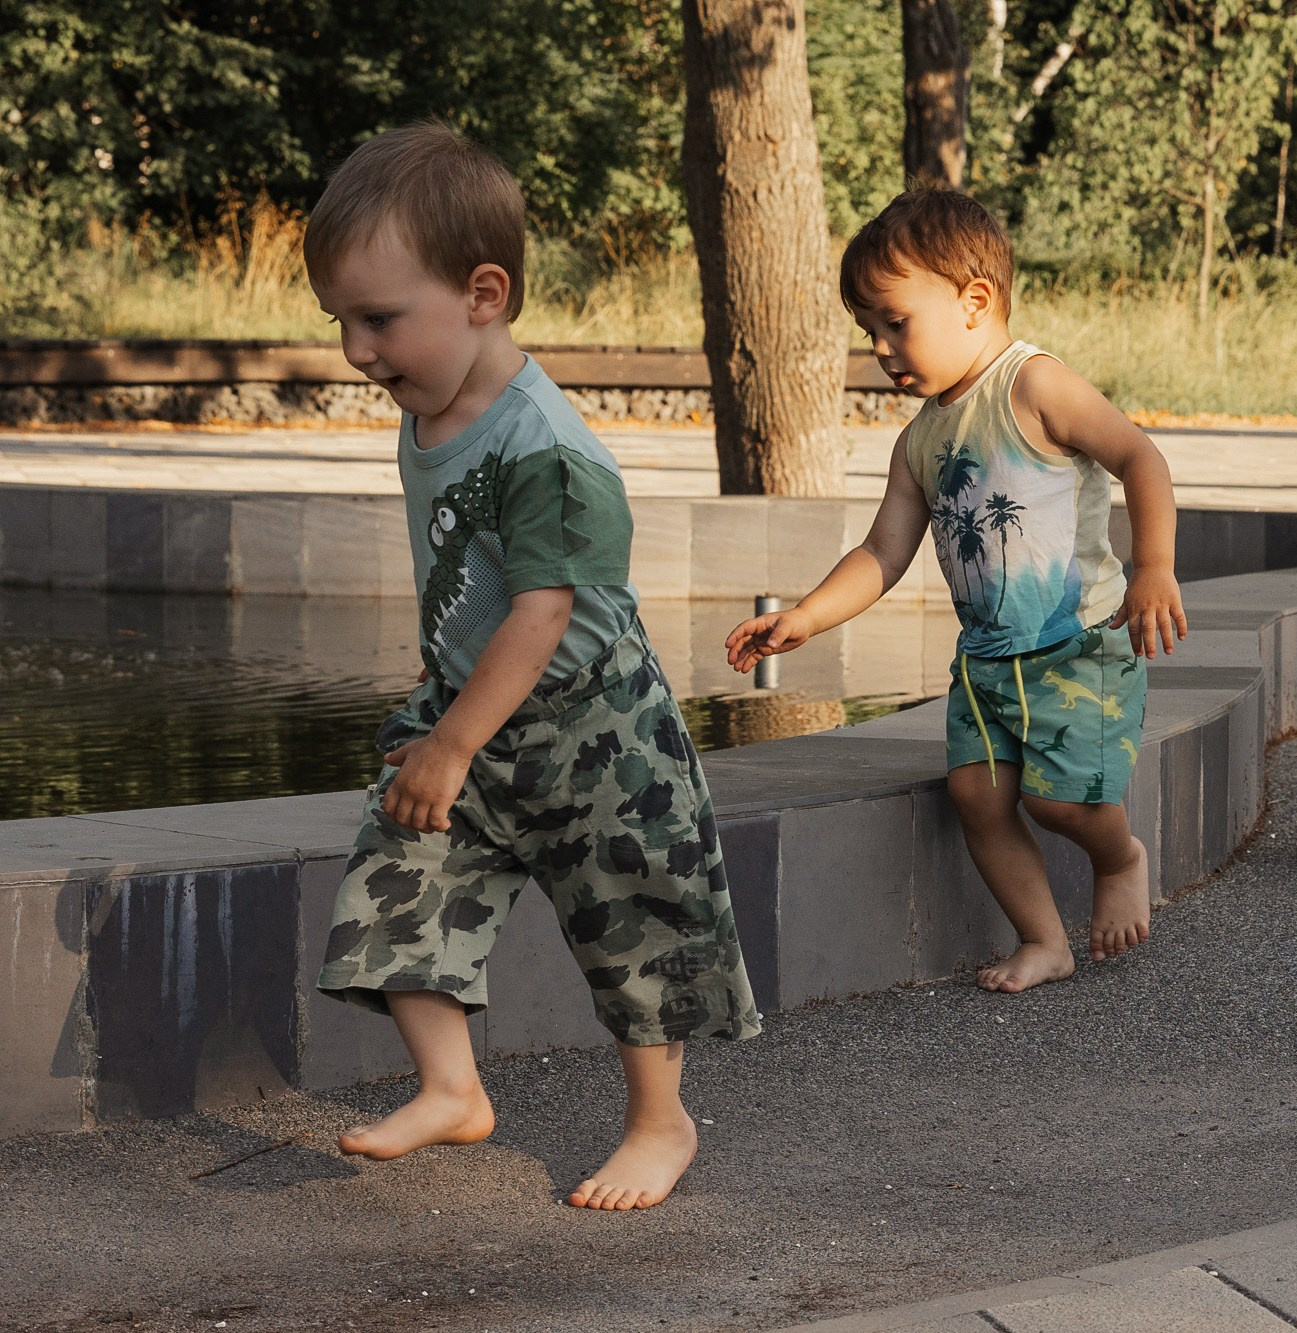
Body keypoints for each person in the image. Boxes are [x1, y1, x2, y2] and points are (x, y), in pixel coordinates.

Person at [305, 122, 760, 1210]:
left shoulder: (540, 443)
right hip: (472, 709)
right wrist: (451, 727)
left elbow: (545, 610)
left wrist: (453, 742)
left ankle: (661, 1122)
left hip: (598, 728)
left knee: (635, 921)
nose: (358, 353)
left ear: (483, 293)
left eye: (379, 321)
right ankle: (452, 1088)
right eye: (342, 324)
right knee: (396, 882)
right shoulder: (431, 401)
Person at [725, 187, 1187, 994]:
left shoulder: (1033, 385)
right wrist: (807, 615)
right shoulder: (921, 439)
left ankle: (1121, 856)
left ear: (974, 302)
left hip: (1074, 643)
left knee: (1060, 805)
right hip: (985, 664)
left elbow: (1140, 457)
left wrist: (1153, 565)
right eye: (870, 332)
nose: (881, 348)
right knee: (977, 796)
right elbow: (881, 551)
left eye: (895, 322)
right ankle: (1044, 938)